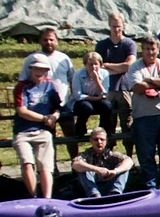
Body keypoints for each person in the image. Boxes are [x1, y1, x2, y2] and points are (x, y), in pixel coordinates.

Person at [127, 36, 160, 190]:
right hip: (143, 117)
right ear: (142, 50)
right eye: (147, 49)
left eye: (153, 49)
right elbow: (136, 87)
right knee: (146, 155)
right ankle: (151, 188)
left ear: (158, 50)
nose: (150, 52)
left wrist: (150, 80)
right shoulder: (135, 67)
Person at [12, 53, 62, 198]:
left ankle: (47, 198)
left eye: (43, 69)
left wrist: (54, 116)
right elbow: (22, 111)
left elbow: (57, 107)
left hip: (43, 131)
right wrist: (44, 118)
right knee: (27, 163)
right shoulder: (22, 87)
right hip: (23, 132)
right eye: (36, 69)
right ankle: (33, 195)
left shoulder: (50, 85)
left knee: (45, 166)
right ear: (30, 69)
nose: (39, 72)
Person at [97, 12, 138, 154]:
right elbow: (99, 67)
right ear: (109, 25)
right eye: (114, 26)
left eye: (119, 26)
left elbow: (129, 66)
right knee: (108, 122)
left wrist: (108, 66)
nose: (116, 29)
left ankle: (129, 154)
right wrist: (117, 67)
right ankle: (107, 154)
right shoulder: (102, 45)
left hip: (125, 87)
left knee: (127, 121)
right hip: (107, 88)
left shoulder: (129, 44)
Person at [67, 52, 115, 150]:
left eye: (95, 64)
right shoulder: (78, 74)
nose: (93, 67)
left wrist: (96, 80)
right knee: (86, 107)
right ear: (85, 65)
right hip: (83, 100)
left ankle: (105, 130)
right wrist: (95, 98)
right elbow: (78, 95)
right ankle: (80, 130)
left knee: (107, 106)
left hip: (99, 100)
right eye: (90, 64)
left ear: (100, 65)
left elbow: (104, 94)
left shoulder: (104, 73)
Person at [71, 127, 132, 197]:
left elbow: (129, 161)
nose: (99, 142)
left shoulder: (111, 154)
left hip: (107, 187)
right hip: (88, 189)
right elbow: (75, 164)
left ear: (106, 141)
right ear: (91, 141)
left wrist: (115, 171)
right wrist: (97, 169)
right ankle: (94, 196)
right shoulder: (85, 155)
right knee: (83, 168)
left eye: (102, 139)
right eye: (96, 139)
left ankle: (115, 194)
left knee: (123, 168)